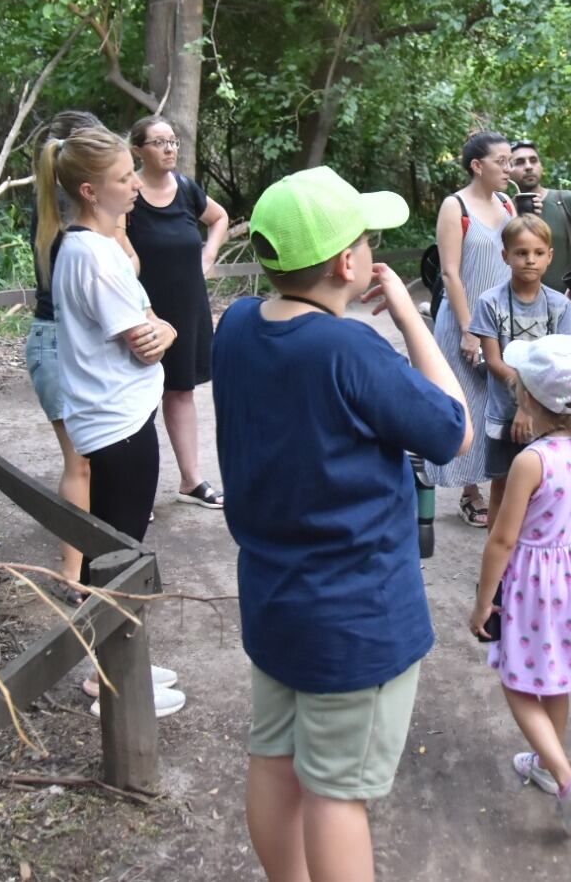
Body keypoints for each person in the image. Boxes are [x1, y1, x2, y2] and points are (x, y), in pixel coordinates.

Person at [212, 166, 471, 882]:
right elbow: (454, 429)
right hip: (356, 614)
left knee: (275, 758)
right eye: (365, 237)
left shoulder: (234, 326)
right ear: (349, 263)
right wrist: (411, 315)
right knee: (336, 793)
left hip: (274, 597)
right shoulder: (348, 349)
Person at [35, 124, 187, 718]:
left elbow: (150, 319)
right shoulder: (95, 257)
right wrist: (167, 330)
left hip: (116, 415)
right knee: (119, 555)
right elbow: (146, 340)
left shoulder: (84, 247)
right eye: (124, 178)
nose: (134, 186)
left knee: (116, 548)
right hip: (118, 423)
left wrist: (163, 325)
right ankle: (110, 681)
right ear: (91, 191)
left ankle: (120, 658)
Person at [470, 334, 571, 837]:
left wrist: (482, 599)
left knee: (516, 679)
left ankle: (564, 777)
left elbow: (502, 539)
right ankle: (544, 760)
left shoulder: (530, 460)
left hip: (534, 583)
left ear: (529, 397)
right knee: (554, 675)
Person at [25, 110, 126, 598]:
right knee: (79, 463)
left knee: (90, 463)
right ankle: (73, 573)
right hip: (55, 340)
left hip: (69, 341)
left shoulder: (79, 216)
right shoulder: (63, 220)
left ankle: (85, 563)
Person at [126, 114, 230, 510]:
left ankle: (191, 480)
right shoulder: (128, 192)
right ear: (138, 150)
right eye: (159, 142)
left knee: (181, 392)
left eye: (173, 142)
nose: (170, 149)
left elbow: (218, 218)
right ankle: (133, 495)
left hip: (187, 307)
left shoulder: (187, 189)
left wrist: (208, 255)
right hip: (142, 310)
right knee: (139, 398)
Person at [425, 131, 516, 527]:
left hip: (503, 322)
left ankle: (502, 486)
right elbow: (450, 272)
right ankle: (469, 490)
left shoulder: (509, 204)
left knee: (501, 402)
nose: (509, 169)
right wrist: (468, 330)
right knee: (469, 402)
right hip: (464, 319)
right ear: (477, 166)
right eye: (501, 161)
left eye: (511, 161)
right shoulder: (455, 205)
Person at [470, 215, 571, 530]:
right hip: (504, 414)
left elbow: (562, 360)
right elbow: (494, 360)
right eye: (520, 252)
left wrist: (531, 406)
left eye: (537, 252)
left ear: (549, 256)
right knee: (502, 488)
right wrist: (523, 404)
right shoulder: (489, 302)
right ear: (505, 255)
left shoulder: (560, 306)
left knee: (545, 490)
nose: (529, 259)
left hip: (549, 417)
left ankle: (533, 566)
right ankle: (500, 572)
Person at [508, 139, 571, 293]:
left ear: (541, 166)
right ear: (508, 170)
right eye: (520, 162)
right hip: (519, 304)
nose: (528, 166)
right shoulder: (503, 208)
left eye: (533, 160)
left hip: (568, 302)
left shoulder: (566, 201)